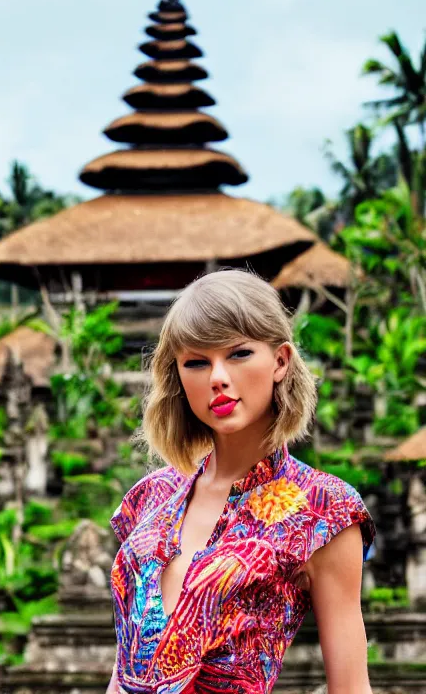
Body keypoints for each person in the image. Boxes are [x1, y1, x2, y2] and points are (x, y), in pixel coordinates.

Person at [107, 268, 376, 694]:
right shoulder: (150, 497)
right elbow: (125, 667)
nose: (216, 376)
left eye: (238, 354)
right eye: (196, 362)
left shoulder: (324, 510)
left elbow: (350, 688)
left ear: (280, 361)